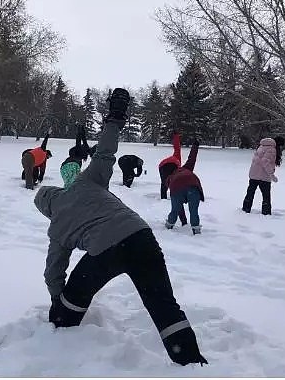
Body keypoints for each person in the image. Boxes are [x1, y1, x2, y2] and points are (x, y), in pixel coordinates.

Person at [34, 88, 208, 367]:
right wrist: (114, 119)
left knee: (71, 301)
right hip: (141, 236)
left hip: (106, 251)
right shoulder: (85, 181)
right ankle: (190, 362)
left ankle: (63, 324)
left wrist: (57, 298)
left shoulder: (56, 227)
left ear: (46, 210)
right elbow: (103, 154)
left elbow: (54, 269)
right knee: (162, 302)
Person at [165, 139, 204, 235]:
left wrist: (183, 220)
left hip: (177, 187)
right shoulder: (186, 168)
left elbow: (178, 205)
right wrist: (195, 146)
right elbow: (192, 158)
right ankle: (196, 230)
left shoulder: (170, 178)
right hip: (193, 184)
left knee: (174, 209)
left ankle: (169, 225)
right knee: (194, 210)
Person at [242, 136, 285, 215]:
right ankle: (266, 213)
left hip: (254, 174)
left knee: (250, 193)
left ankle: (245, 209)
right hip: (264, 176)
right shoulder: (272, 149)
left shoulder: (262, 146)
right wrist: (272, 175)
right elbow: (265, 161)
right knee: (266, 196)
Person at [158, 133, 187, 225]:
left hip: (162, 165)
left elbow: (176, 146)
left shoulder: (176, 155)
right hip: (172, 164)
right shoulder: (178, 160)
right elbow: (177, 146)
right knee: (172, 182)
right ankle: (174, 195)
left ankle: (163, 196)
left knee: (164, 182)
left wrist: (176, 136)